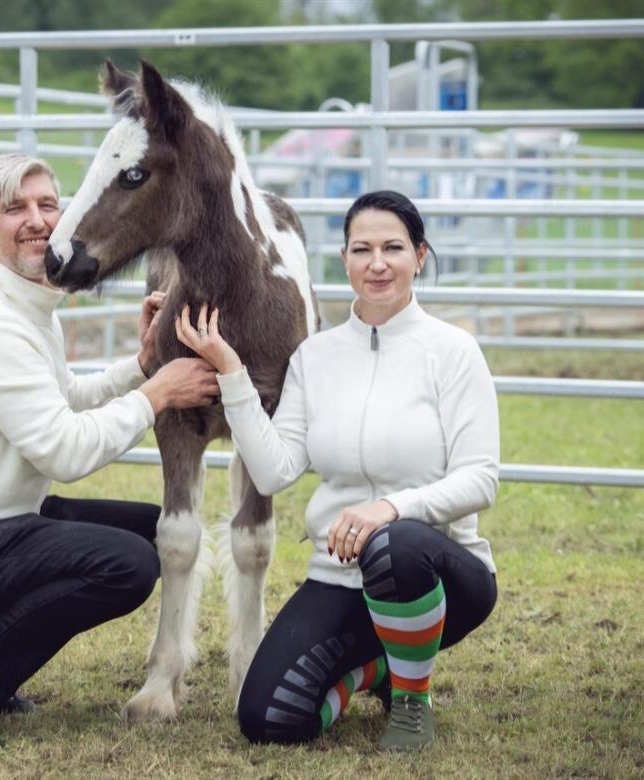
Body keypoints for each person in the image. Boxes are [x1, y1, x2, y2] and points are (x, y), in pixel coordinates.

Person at [0, 153, 220, 749]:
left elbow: (65, 402)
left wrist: (139, 367)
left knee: (151, 533)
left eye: (48, 204)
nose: (37, 220)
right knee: (124, 566)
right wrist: (157, 394)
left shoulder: (25, 308)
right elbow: (65, 452)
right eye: (15, 209)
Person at [175, 190, 499, 752]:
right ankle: (376, 672)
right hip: (339, 575)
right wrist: (231, 372)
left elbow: (480, 480)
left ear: (419, 256)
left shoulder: (453, 352)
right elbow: (274, 471)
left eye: (393, 248)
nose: (377, 263)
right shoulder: (314, 357)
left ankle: (412, 700)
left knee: (394, 544)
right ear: (344, 259)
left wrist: (391, 508)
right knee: (269, 720)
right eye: (362, 249)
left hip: (438, 573)